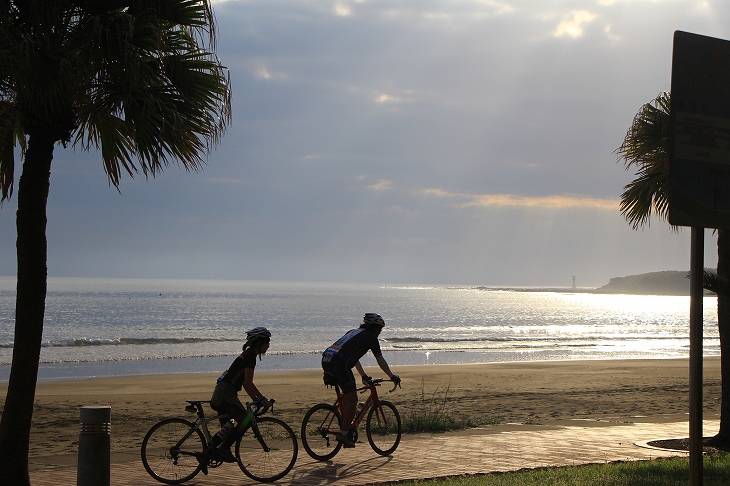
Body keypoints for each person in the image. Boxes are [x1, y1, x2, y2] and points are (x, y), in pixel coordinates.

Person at [321, 313, 401, 448]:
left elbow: (354, 356)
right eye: (380, 329)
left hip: (327, 359)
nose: (380, 333)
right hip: (339, 363)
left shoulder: (353, 332)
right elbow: (380, 359)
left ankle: (345, 422)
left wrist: (363, 375)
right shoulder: (371, 338)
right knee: (353, 399)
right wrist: (392, 376)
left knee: (348, 394)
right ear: (375, 328)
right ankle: (343, 434)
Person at [209, 326, 272, 462]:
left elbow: (243, 382)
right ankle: (223, 449)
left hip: (223, 392)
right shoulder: (250, 357)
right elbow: (248, 383)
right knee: (246, 421)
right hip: (226, 394)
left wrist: (255, 399)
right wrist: (262, 399)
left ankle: (208, 453)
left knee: (227, 430)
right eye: (267, 341)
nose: (269, 345)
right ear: (259, 343)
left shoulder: (247, 355)